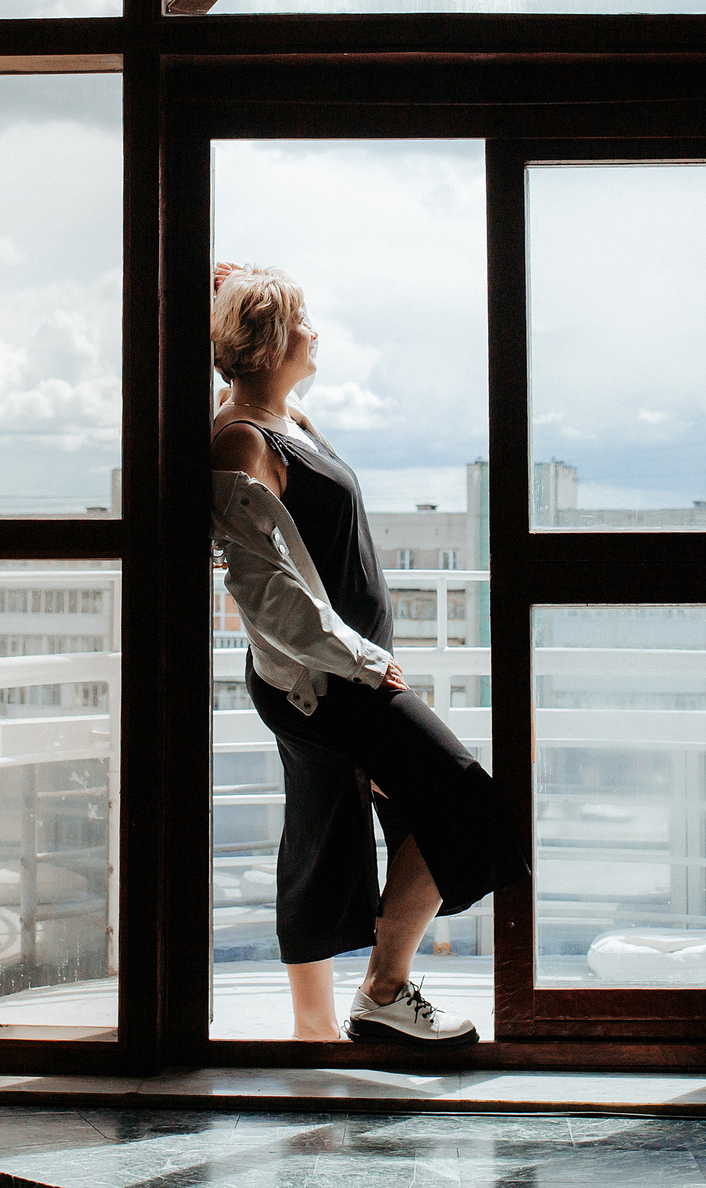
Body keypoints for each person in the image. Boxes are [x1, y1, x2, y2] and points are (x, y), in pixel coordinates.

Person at [208, 261, 497, 1046]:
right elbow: (265, 594)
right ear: (268, 344)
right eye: (301, 321)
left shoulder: (282, 418)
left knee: (323, 827)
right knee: (463, 804)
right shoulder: (240, 438)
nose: (315, 333)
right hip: (327, 680)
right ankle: (382, 989)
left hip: (342, 673)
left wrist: (228, 284)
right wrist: (366, 663)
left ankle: (317, 1026)